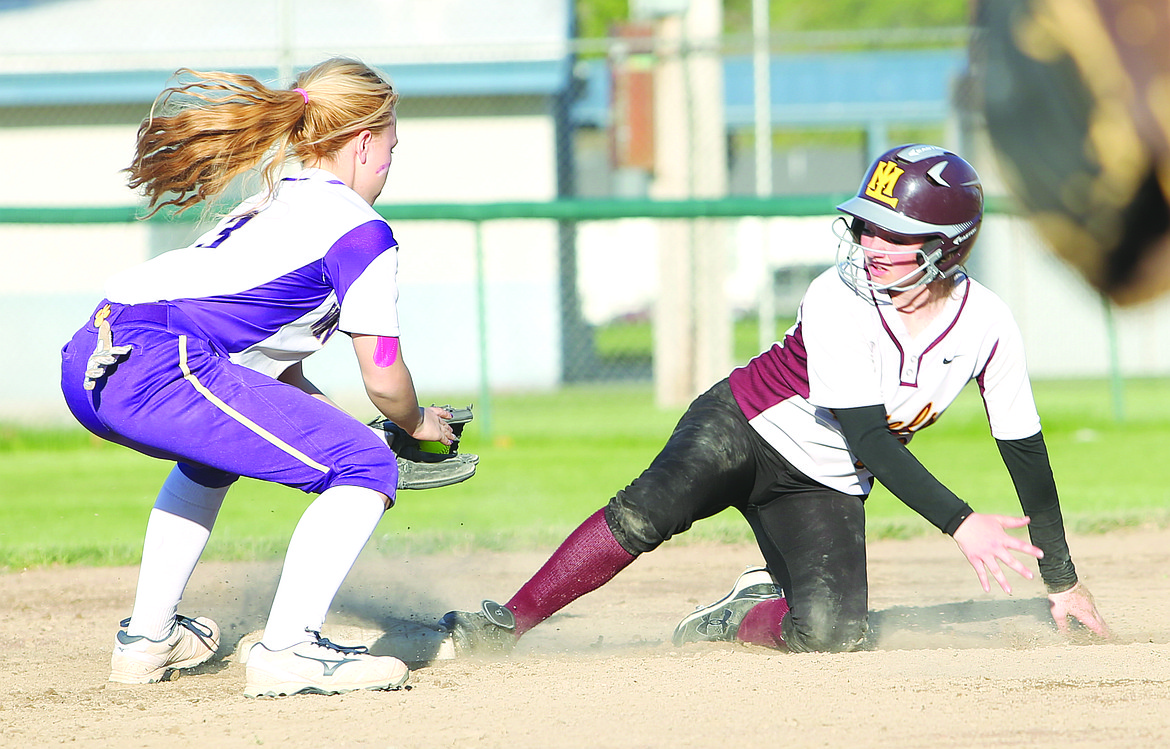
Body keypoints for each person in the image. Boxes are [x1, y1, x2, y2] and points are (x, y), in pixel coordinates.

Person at [439, 144, 1110, 656]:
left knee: (832, 634)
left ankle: (739, 613)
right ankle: (509, 620)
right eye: (865, 225)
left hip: (823, 479)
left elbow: (1024, 451)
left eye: (891, 233)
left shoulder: (988, 324)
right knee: (644, 515)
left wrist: (1062, 578)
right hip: (741, 427)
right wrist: (963, 521)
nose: (868, 243)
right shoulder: (837, 297)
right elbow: (872, 439)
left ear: (948, 245)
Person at [60, 57, 473, 698]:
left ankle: (148, 638)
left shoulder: (273, 200)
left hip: (97, 353)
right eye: (391, 148)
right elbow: (385, 375)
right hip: (158, 364)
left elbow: (271, 379)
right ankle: (290, 651)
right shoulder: (360, 231)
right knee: (364, 466)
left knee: (213, 458)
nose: (390, 165)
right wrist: (413, 424)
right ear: (363, 142)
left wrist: (349, 427)